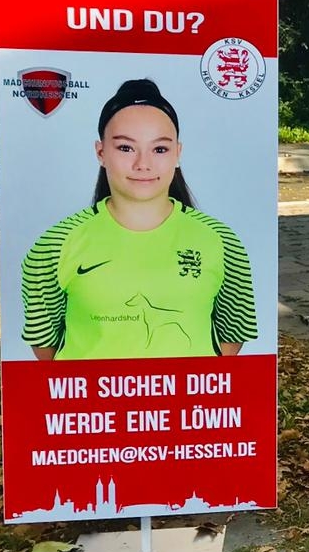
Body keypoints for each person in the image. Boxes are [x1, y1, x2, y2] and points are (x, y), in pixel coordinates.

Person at [21, 79, 257, 361]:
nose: (143, 164)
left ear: (177, 154)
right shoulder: (53, 246)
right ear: (101, 152)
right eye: (125, 148)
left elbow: (233, 336)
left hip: (186, 392)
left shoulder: (222, 241)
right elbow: (44, 347)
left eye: (160, 149)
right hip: (93, 393)